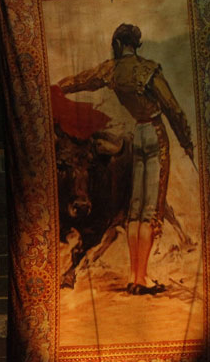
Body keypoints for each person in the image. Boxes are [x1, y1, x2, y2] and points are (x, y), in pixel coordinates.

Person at [56, 23, 194, 296]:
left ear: (118, 44)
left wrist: (59, 87)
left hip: (138, 133)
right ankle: (141, 278)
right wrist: (187, 143)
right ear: (135, 44)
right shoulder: (148, 69)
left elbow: (81, 80)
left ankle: (135, 276)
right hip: (154, 134)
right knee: (149, 210)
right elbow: (174, 110)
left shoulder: (111, 70)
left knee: (135, 210)